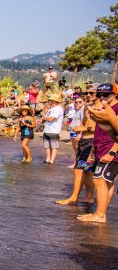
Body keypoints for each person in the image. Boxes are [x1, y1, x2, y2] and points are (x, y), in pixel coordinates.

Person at [77, 83, 118, 223]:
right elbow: (100, 132)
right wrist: (94, 150)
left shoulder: (116, 109)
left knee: (99, 179)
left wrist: (112, 153)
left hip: (110, 150)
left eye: (106, 95)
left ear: (115, 94)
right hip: (101, 148)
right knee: (107, 182)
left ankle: (99, 215)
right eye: (99, 94)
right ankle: (101, 212)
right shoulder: (105, 109)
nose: (102, 97)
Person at [56, 96, 96, 206]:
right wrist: (80, 133)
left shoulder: (97, 108)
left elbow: (98, 126)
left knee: (79, 169)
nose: (89, 95)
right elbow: (84, 124)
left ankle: (74, 197)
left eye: (91, 93)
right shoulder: (86, 108)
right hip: (84, 140)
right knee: (87, 171)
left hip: (90, 142)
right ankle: (89, 197)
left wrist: (84, 129)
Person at [42, 94, 64, 164]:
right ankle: (47, 159)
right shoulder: (51, 109)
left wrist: (44, 118)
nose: (48, 101)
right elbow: (46, 118)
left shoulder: (58, 109)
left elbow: (51, 119)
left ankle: (52, 160)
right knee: (47, 146)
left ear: (54, 101)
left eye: (50, 100)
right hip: (47, 129)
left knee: (54, 146)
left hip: (54, 130)